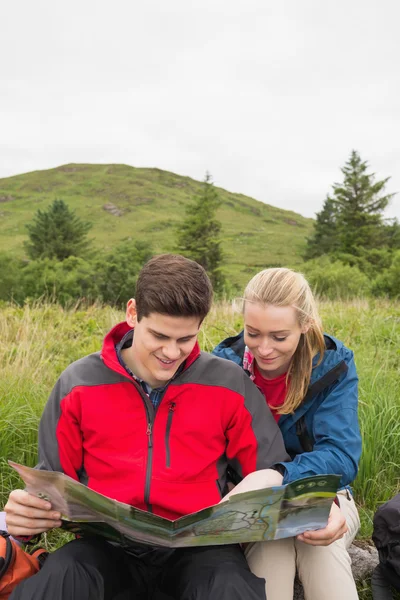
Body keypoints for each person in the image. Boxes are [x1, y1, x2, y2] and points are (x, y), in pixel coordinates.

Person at [4, 254, 291, 600]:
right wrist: (25, 517)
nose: (171, 352)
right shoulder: (78, 385)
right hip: (106, 550)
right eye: (159, 335)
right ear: (132, 313)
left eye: (185, 339)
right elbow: (50, 483)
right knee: (62, 577)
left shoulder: (229, 384)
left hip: (200, 553)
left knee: (229, 587)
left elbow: (271, 469)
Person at [213, 267, 362, 600]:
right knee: (271, 554)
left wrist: (277, 476)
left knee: (320, 546)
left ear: (305, 325)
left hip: (326, 495)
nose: (264, 349)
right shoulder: (222, 366)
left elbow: (341, 454)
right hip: (249, 504)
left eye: (279, 337)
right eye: (253, 333)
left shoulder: (333, 365)